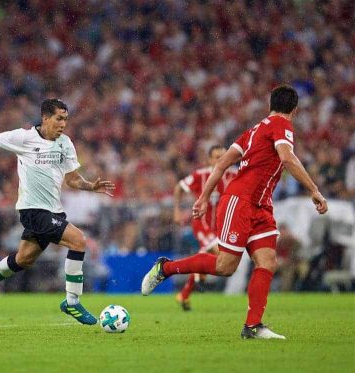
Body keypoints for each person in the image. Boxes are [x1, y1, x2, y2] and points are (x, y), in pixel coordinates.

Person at [141, 85, 328, 339]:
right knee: (225, 266)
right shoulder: (281, 125)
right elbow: (286, 157)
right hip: (239, 201)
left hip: (261, 206)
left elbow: (222, 162)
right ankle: (166, 268)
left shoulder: (251, 132)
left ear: (269, 105)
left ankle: (252, 326)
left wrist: (205, 197)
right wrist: (314, 190)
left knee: (267, 261)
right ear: (295, 110)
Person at [0, 98, 115, 325]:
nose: (63, 124)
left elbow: (73, 180)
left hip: (54, 211)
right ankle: (72, 302)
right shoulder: (24, 137)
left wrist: (90, 186)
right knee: (78, 240)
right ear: (45, 118)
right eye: (59, 119)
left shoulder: (65, 143)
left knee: (24, 259)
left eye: (66, 119)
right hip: (32, 210)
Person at [172, 145, 237, 310]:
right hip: (202, 225)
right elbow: (179, 188)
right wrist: (177, 211)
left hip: (222, 227)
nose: (220, 160)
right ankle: (197, 278)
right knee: (220, 254)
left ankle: (185, 293)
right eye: (216, 157)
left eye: (223, 156)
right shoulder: (201, 175)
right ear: (209, 159)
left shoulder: (234, 175)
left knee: (206, 258)